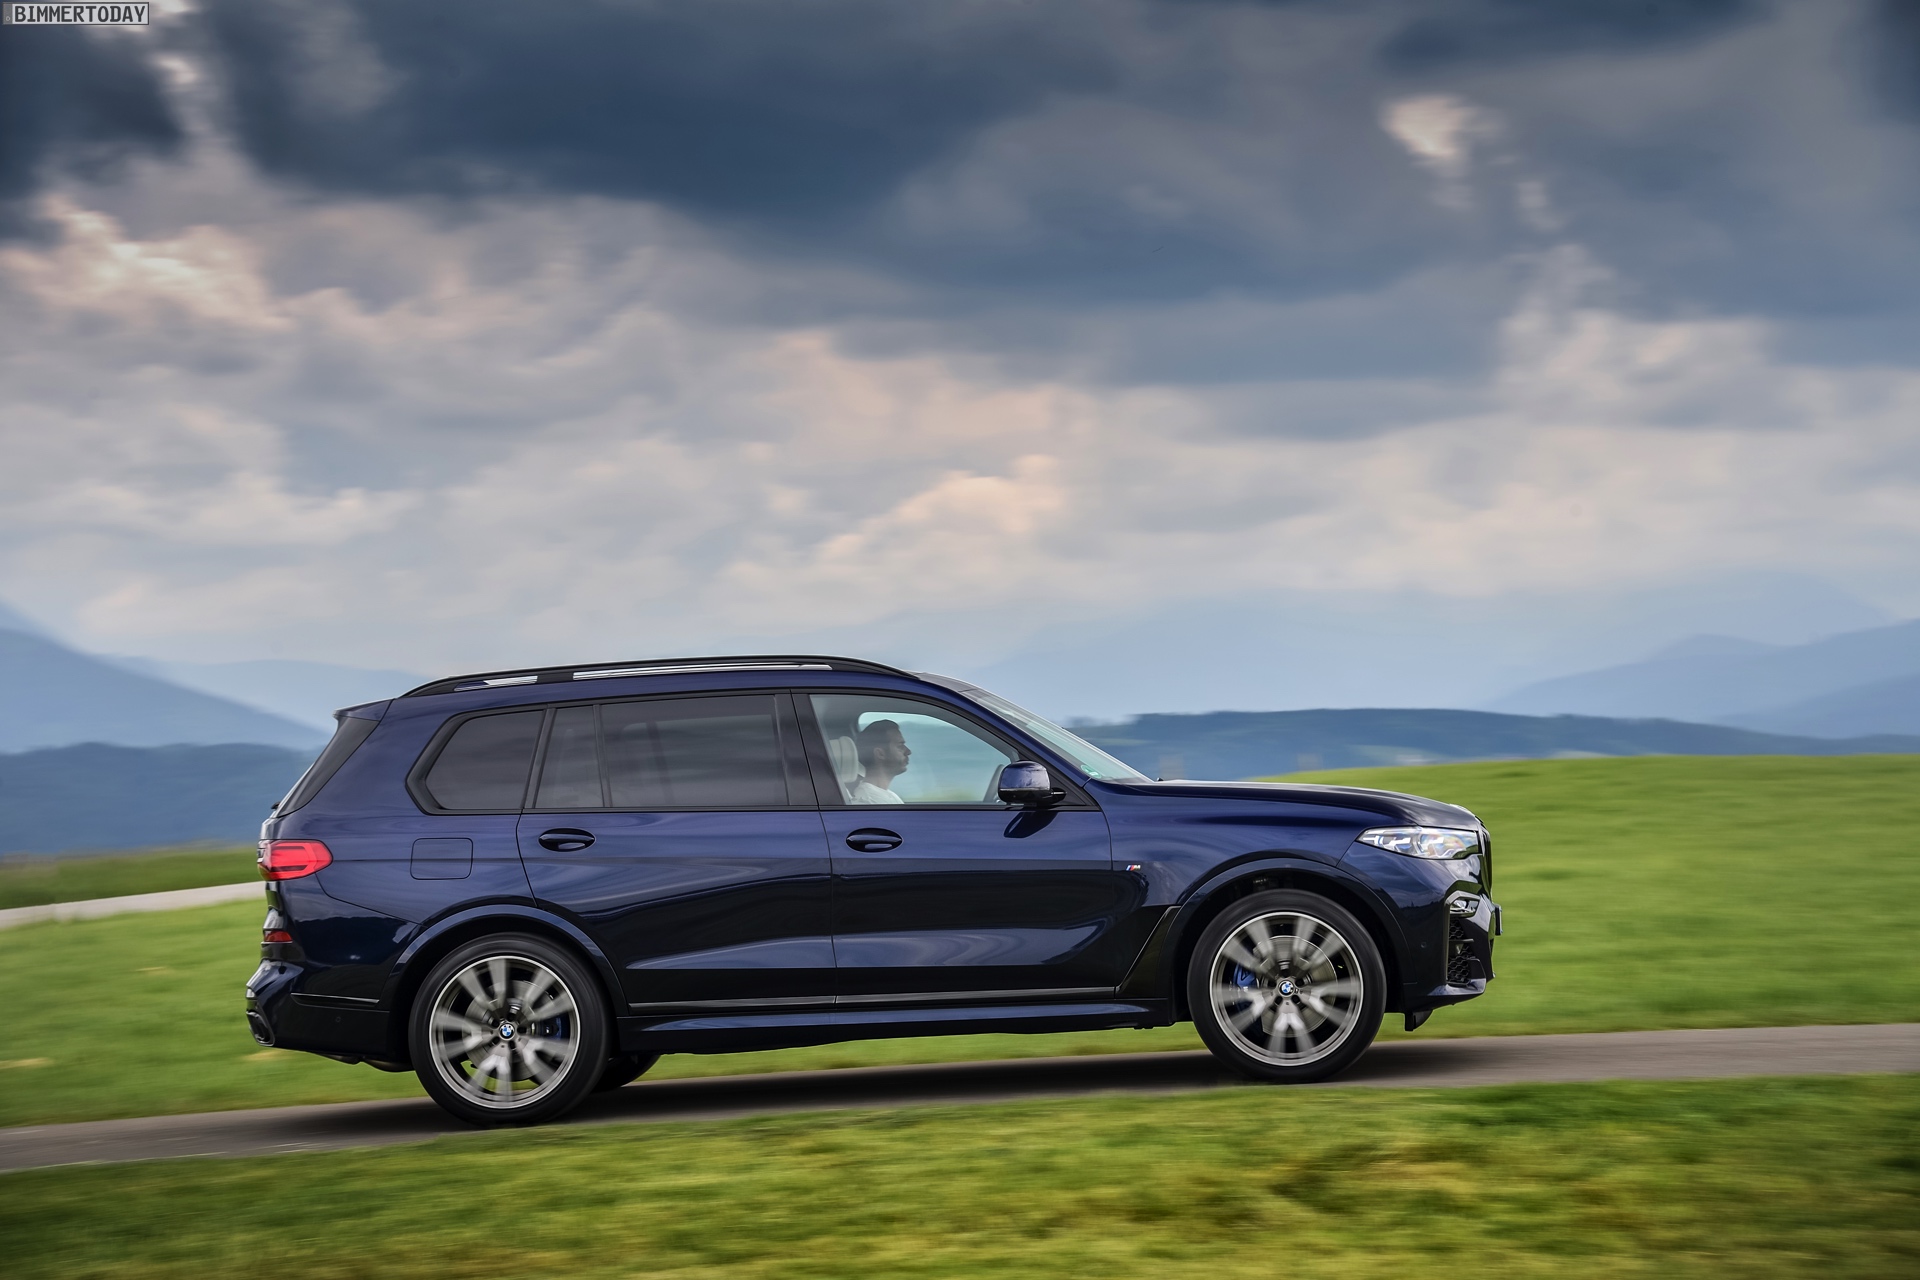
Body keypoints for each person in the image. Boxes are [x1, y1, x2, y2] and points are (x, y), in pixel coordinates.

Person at [850, 719, 910, 803]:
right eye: (900, 746)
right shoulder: (869, 801)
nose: (908, 752)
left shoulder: (886, 795)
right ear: (880, 754)